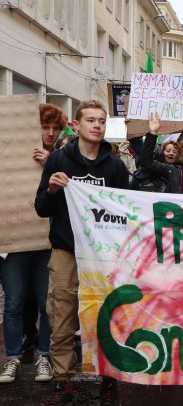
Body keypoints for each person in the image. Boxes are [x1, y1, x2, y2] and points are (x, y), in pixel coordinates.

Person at [34, 100, 129, 405]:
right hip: (66, 250)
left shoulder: (115, 166)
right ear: (76, 125)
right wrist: (51, 189)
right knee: (61, 314)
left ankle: (108, 375)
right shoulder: (59, 160)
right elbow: (40, 207)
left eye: (102, 121)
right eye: (91, 120)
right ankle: (62, 379)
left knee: (106, 313)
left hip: (103, 255)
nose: (97, 126)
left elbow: (124, 211)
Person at [0, 104, 67, 385]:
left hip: (46, 241)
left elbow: (70, 194)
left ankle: (44, 355)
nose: (50, 133)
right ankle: (12, 358)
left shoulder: (62, 156)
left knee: (46, 302)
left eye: (55, 128)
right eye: (45, 127)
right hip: (13, 241)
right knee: (13, 302)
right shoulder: (8, 152)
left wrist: (49, 164)